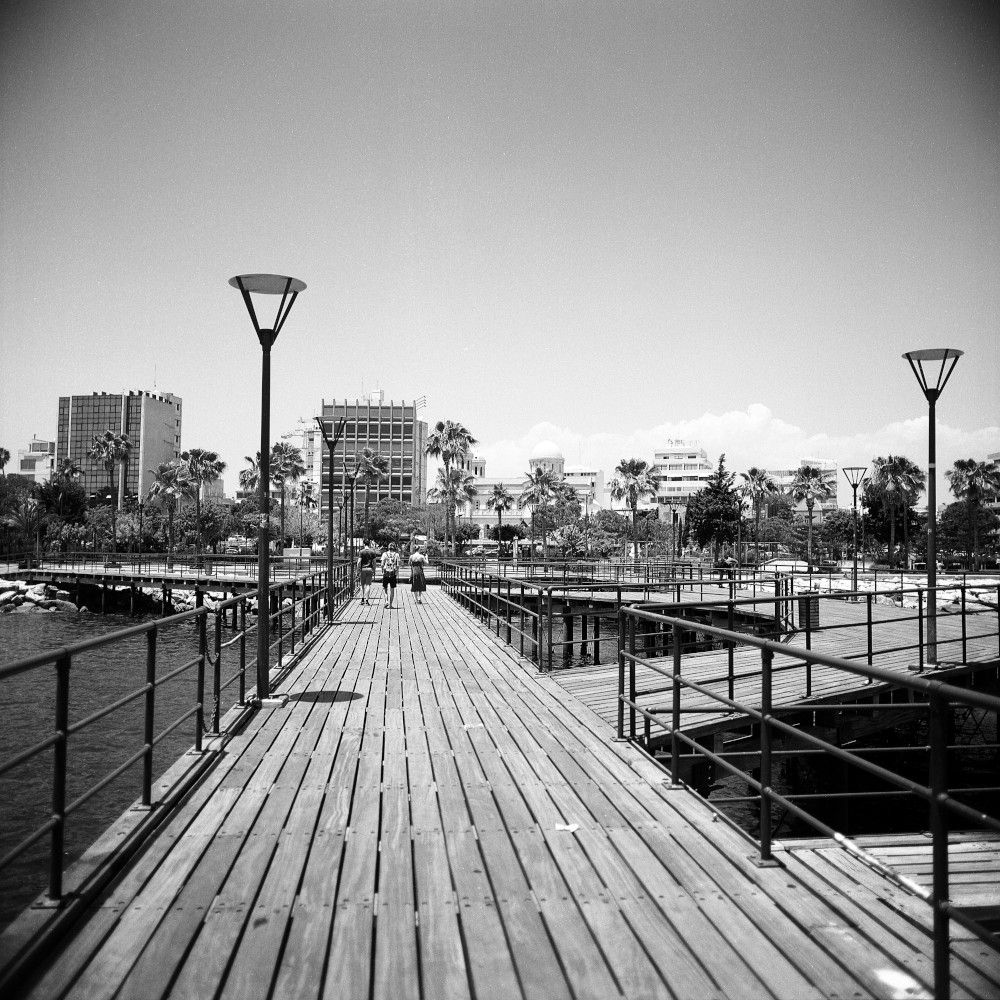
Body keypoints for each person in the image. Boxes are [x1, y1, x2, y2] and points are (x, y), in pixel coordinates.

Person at [380, 542, 401, 608]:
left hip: (386, 572)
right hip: (393, 573)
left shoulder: (384, 554)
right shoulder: (396, 555)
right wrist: (397, 572)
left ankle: (386, 601)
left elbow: (382, 564)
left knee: (385, 588)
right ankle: (391, 604)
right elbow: (398, 565)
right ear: (394, 547)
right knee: (392, 589)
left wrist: (382, 571)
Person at [357, 540, 377, 604]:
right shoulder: (372, 552)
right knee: (368, 585)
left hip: (363, 569)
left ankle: (362, 599)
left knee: (362, 585)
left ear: (364, 544)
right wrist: (374, 570)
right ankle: (367, 600)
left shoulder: (361, 552)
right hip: (370, 569)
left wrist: (358, 569)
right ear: (369, 544)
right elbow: (374, 562)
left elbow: (359, 562)